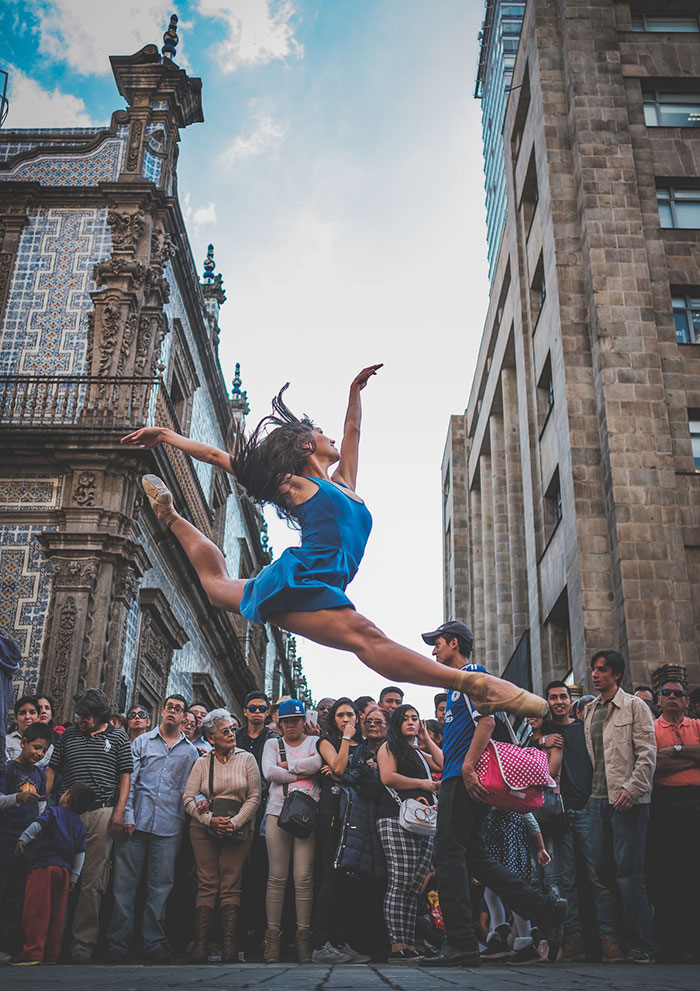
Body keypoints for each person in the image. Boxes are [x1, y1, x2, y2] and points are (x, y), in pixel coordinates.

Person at [122, 368, 547, 718]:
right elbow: (222, 459)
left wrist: (354, 392)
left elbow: (354, 431)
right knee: (365, 634)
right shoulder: (295, 486)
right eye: (322, 434)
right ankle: (474, 684)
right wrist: (166, 436)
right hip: (303, 579)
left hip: (327, 582)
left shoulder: (345, 485)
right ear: (306, 445)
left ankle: (171, 516)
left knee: (216, 589)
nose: (333, 440)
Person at [419, 621, 565, 968]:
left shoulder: (471, 676)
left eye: (437, 643)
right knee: (476, 860)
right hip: (459, 778)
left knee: (448, 856)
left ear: (454, 643)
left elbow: (487, 722)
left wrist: (468, 768)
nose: (433, 650)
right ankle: (546, 909)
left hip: (462, 779)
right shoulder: (457, 684)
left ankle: (460, 944)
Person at [106, 694, 198, 963]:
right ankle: (117, 943)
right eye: (169, 707)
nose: (172, 712)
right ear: (162, 711)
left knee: (160, 888)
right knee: (124, 886)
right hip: (136, 822)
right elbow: (130, 781)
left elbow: (187, 790)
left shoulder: (190, 752)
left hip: (169, 827)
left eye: (178, 709)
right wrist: (128, 815)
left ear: (183, 717)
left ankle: (153, 942)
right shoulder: (142, 743)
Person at [46, 688, 133, 963]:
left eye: (87, 716)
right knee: (59, 877)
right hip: (66, 814)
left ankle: (82, 945)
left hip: (102, 813)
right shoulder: (69, 734)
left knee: (93, 882)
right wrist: (47, 800)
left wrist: (119, 812)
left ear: (101, 716)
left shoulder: (118, 737)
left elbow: (125, 777)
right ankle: (52, 943)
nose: (82, 720)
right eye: (79, 715)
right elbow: (53, 768)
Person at [583, 649, 657, 964]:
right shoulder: (589, 710)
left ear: (616, 675)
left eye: (601, 670)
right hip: (598, 802)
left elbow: (647, 751)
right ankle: (622, 936)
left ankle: (640, 945)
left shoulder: (634, 706)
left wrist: (633, 788)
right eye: (593, 670)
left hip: (628, 801)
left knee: (630, 874)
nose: (595, 675)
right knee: (601, 870)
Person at [540, 681, 617, 962]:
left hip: (585, 809)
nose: (558, 701)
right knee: (567, 881)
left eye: (562, 696)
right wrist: (540, 741)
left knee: (598, 877)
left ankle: (609, 939)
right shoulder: (545, 731)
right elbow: (522, 751)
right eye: (553, 697)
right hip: (558, 814)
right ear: (546, 701)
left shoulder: (581, 727)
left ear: (569, 700)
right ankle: (574, 939)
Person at [184, 708, 261, 963]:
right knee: (207, 882)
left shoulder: (247, 759)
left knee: (231, 882)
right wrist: (209, 820)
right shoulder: (202, 763)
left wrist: (236, 822)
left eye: (232, 729)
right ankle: (202, 944)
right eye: (224, 732)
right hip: (204, 828)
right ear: (211, 739)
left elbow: (255, 796)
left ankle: (229, 946)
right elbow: (187, 798)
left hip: (237, 829)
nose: (231, 734)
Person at [377, 703, 442, 961]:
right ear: (396, 723)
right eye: (405, 719)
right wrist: (423, 784)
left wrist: (426, 738)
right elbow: (387, 777)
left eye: (415, 719)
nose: (411, 723)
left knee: (415, 885)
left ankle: (410, 943)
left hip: (423, 822)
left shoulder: (416, 751)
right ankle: (397, 944)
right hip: (395, 818)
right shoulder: (389, 746)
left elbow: (443, 761)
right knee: (400, 882)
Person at [261, 698, 322, 963]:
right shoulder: (272, 744)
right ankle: (272, 939)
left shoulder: (314, 742)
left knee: (304, 878)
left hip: (307, 815)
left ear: (303, 721)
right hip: (278, 812)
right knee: (276, 877)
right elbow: (268, 772)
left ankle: (303, 939)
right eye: (286, 721)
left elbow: (317, 764)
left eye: (296, 720)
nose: (291, 726)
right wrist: (300, 771)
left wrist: (286, 767)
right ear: (279, 723)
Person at [11, 782, 94, 966]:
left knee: (36, 910)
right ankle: (51, 954)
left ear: (67, 798)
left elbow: (37, 826)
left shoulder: (53, 812)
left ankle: (32, 953)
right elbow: (80, 853)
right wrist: (74, 877)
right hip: (64, 872)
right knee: (57, 914)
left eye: (65, 792)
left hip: (43, 867)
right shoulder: (79, 825)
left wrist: (22, 839)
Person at [647, 679, 700, 962]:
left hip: (696, 800)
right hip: (666, 803)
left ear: (686, 701)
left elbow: (666, 759)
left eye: (677, 694)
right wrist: (694, 759)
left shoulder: (697, 726)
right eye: (665, 693)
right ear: (658, 700)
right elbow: (654, 763)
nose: (671, 697)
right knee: (672, 871)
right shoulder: (652, 728)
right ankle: (677, 941)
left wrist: (677, 752)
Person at [313, 697, 369, 964]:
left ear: (357, 717)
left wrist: (347, 772)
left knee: (349, 878)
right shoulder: (327, 741)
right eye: (340, 716)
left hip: (358, 814)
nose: (346, 719)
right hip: (333, 812)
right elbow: (336, 766)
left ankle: (339, 940)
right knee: (330, 874)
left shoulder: (366, 746)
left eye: (349, 715)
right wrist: (346, 740)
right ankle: (321, 944)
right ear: (334, 720)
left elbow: (361, 775)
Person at [0, 722, 52, 956]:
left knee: (17, 895)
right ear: (23, 743)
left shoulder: (39, 773)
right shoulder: (9, 769)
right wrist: (18, 797)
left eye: (43, 750)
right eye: (36, 747)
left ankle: (8, 945)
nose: (39, 754)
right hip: (6, 837)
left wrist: (34, 831)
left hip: (26, 842)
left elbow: (41, 804)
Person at [237, 691, 278, 960]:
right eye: (252, 708)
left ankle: (259, 936)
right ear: (245, 711)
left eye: (262, 709)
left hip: (265, 812)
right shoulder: (236, 736)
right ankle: (234, 937)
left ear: (267, 713)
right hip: (236, 809)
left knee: (262, 874)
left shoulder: (273, 740)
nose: (257, 713)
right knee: (237, 873)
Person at [5, 695, 40, 761]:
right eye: (22, 713)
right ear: (15, 718)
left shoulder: (48, 747)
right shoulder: (5, 742)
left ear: (38, 716)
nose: (27, 717)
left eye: (32, 712)